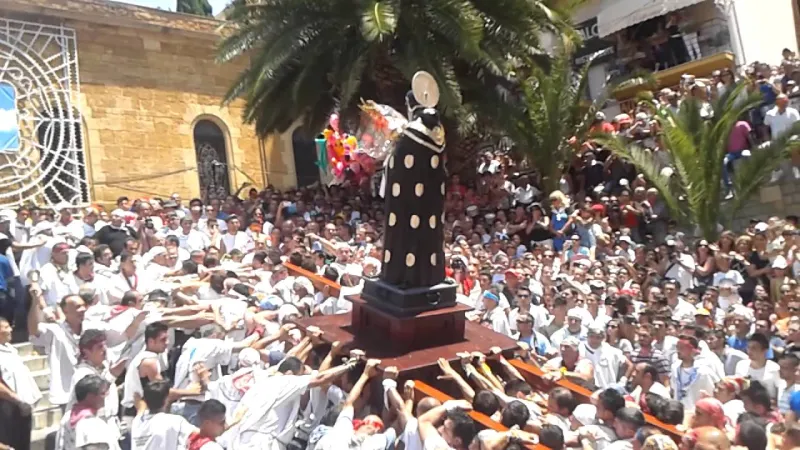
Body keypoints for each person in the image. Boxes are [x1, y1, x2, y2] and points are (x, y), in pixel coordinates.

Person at [0, 317, 39, 450]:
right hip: (7, 408)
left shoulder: (10, 350)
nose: (10, 330)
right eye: (5, 327)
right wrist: (16, 399)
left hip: (22, 408)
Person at [55, 374, 120, 450]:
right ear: (90, 396)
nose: (105, 397)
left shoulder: (67, 417)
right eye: (102, 393)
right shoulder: (93, 424)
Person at [131, 379, 197, 450]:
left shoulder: (137, 421)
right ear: (166, 399)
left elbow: (141, 407)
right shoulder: (175, 421)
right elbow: (200, 433)